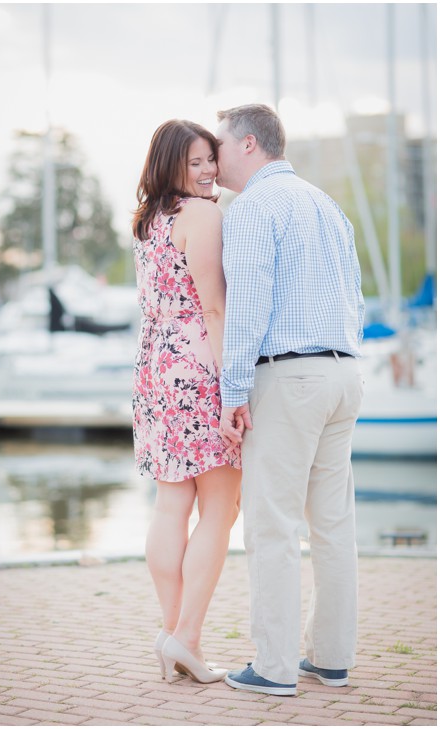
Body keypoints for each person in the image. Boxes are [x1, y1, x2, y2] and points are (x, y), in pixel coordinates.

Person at [213, 103, 364, 696]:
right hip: (343, 373)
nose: (215, 155)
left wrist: (233, 391)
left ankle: (273, 667)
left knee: (272, 524)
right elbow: (353, 297)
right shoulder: (327, 205)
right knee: (332, 524)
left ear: (249, 144)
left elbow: (248, 305)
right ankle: (330, 657)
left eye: (220, 144)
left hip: (291, 376)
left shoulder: (252, 208)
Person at [130, 119, 243, 685]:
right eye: (195, 162)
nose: (207, 171)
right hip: (198, 368)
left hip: (156, 367)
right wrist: (231, 389)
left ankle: (171, 630)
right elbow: (215, 307)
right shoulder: (202, 216)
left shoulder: (151, 221)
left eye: (210, 161)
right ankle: (187, 636)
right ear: (172, 163)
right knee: (221, 507)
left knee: (170, 505)